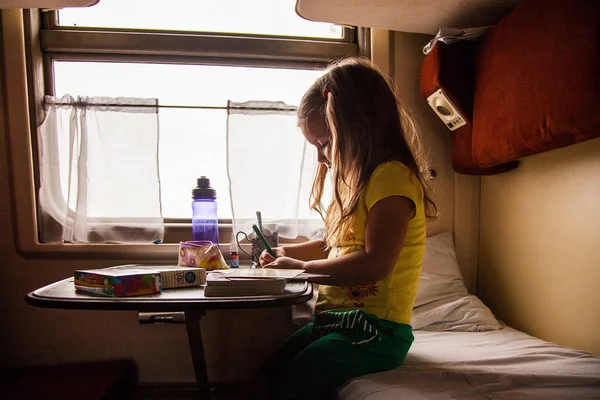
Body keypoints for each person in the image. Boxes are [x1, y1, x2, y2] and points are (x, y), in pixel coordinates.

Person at [253, 57, 438, 400]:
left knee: (288, 386)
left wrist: (301, 271)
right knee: (263, 376)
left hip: (375, 331)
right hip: (332, 323)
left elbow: (375, 263)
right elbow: (333, 245)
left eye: (324, 143)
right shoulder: (357, 186)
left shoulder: (392, 178)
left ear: (358, 127)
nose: (322, 158)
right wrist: (285, 254)